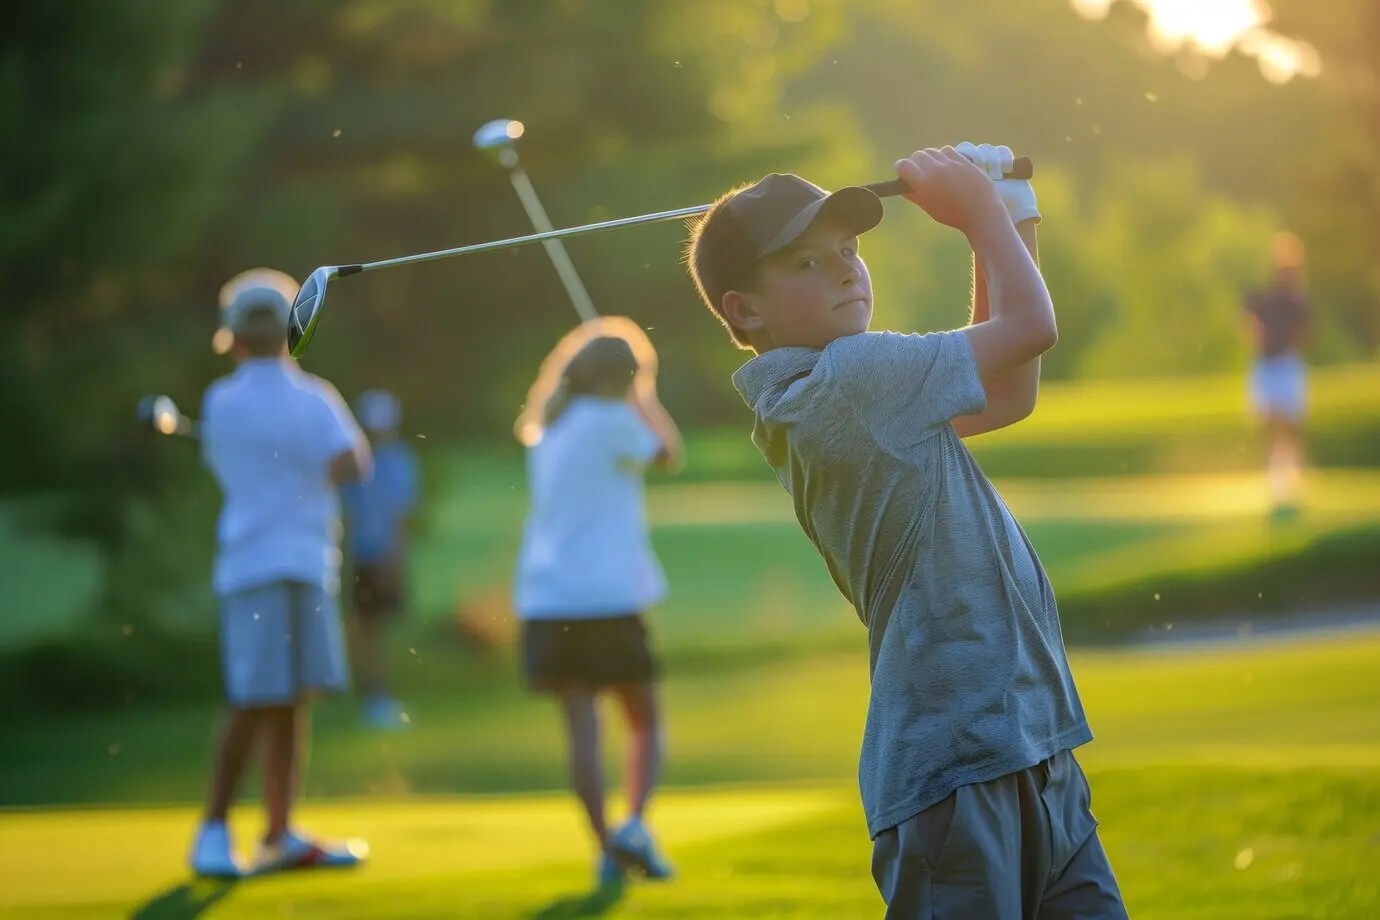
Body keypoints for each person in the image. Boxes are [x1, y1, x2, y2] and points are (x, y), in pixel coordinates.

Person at [683, 144, 1128, 918]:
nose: (847, 270)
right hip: (957, 768)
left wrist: (1011, 211)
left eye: (849, 251)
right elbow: (1030, 327)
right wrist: (982, 212)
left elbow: (1010, 390)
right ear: (744, 310)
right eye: (805, 264)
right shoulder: (853, 380)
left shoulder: (850, 390)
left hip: (1027, 742)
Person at [189, 267, 373, 878]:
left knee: (282, 701)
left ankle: (277, 834)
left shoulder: (220, 402)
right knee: (260, 700)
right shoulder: (314, 396)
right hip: (286, 562)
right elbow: (353, 463)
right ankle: (213, 832)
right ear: (292, 333)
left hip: (267, 564)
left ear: (235, 338)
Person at [511, 316, 685, 888]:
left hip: (549, 599)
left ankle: (606, 849)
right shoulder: (616, 422)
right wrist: (646, 398)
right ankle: (633, 825)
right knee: (644, 720)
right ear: (624, 378)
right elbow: (667, 453)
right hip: (606, 597)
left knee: (582, 729)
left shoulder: (551, 426)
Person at [340, 388, 419, 729]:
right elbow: (346, 514)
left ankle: (381, 696)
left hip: (386, 556)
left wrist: (397, 559)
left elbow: (401, 516)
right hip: (360, 557)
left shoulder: (400, 460)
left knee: (381, 628)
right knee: (366, 629)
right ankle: (373, 698)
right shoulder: (355, 461)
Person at [1242, 232, 1311, 519]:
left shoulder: (1298, 299)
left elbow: (1302, 332)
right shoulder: (1265, 296)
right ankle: (1278, 480)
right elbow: (1248, 321)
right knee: (1271, 423)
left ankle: (1289, 479)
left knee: (1287, 425)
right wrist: (1255, 333)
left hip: (1285, 365)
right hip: (1267, 366)